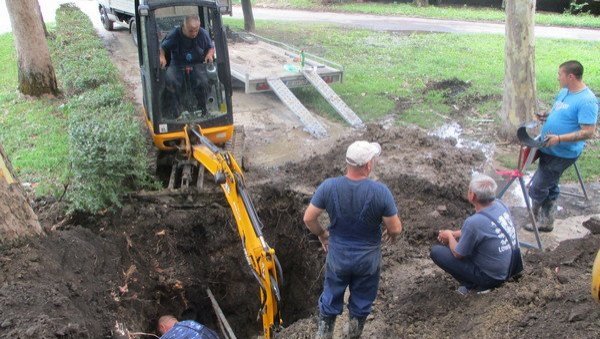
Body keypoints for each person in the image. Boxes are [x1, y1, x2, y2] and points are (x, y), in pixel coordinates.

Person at [303, 140, 403, 339]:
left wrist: (323, 234)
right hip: (367, 260)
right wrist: (390, 234)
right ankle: (354, 334)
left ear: (348, 162)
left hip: (338, 256)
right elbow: (396, 228)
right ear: (367, 165)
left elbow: (308, 218)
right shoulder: (380, 192)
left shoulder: (329, 186)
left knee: (330, 298)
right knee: (361, 301)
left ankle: (324, 335)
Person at [526, 60, 598, 232]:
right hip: (548, 147)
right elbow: (559, 111)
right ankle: (547, 218)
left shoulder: (587, 101)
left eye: (560, 74)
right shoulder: (565, 92)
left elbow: (589, 132)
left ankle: (539, 218)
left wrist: (559, 138)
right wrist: (547, 115)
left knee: (538, 187)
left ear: (570, 76)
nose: (558, 78)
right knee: (550, 182)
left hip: (562, 152)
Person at [430, 174, 521, 295]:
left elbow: (458, 254)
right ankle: (475, 283)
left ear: (472, 196)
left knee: (437, 252)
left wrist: (449, 236)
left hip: (492, 278)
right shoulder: (501, 205)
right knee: (469, 244)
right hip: (511, 268)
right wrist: (455, 233)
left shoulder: (473, 222)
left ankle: (473, 284)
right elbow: (483, 230)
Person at [159, 14, 215, 117]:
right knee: (171, 82)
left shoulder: (203, 34)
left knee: (204, 82)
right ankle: (174, 112)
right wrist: (162, 57)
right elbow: (162, 48)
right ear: (183, 26)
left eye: (196, 30)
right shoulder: (174, 35)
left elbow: (210, 47)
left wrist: (209, 54)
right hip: (177, 65)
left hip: (197, 65)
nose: (194, 33)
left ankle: (202, 109)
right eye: (190, 31)